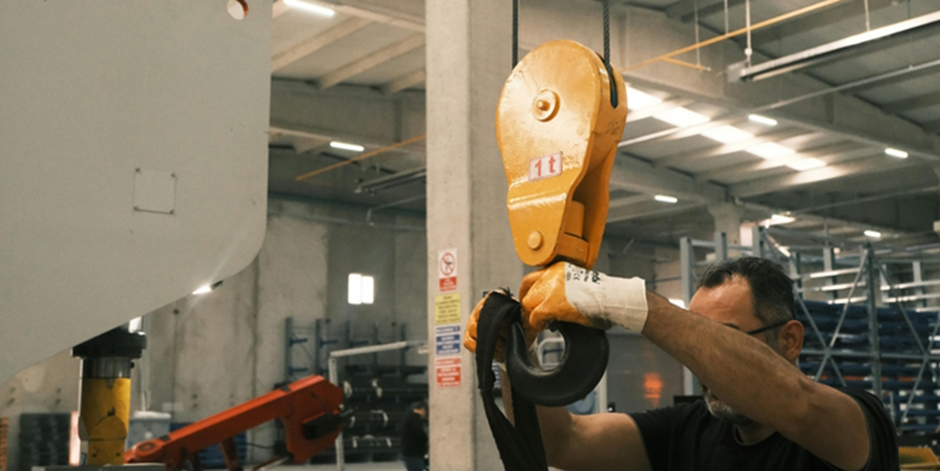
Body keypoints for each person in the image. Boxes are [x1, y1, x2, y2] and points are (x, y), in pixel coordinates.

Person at [465, 257, 899, 471]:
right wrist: (514, 354)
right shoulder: (687, 430)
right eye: (698, 343)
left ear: (789, 340)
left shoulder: (852, 422)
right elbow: (564, 442)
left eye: (723, 340)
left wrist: (627, 302)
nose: (706, 366)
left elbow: (798, 404)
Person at [400, 401, 428, 471]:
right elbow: (419, 433)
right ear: (422, 409)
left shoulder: (408, 416)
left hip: (408, 452)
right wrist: (426, 440)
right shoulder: (415, 418)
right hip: (413, 453)